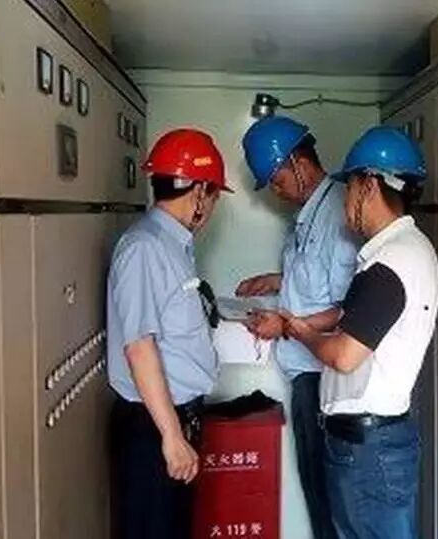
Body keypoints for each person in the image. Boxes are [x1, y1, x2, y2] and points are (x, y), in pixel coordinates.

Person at [282, 126, 438, 539]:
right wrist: (304, 323)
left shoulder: (390, 263)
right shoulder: (404, 251)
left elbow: (344, 355)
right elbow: (354, 315)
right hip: (373, 443)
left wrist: (301, 334)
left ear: (368, 185)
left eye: (349, 187)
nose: (345, 201)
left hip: (369, 451)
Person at [107, 128, 233, 539]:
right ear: (198, 192)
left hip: (175, 421)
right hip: (153, 428)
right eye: (213, 196)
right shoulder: (144, 248)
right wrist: (172, 436)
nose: (211, 208)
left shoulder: (172, 244)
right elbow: (139, 347)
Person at [236, 116, 356, 539]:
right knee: (316, 487)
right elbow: (316, 281)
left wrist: (285, 325)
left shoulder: (338, 212)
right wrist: (276, 281)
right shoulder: (311, 213)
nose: (275, 189)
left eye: (277, 178)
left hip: (322, 377)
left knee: (326, 495)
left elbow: (347, 307)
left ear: (299, 163)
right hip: (305, 374)